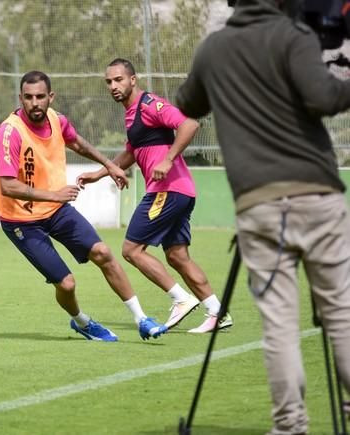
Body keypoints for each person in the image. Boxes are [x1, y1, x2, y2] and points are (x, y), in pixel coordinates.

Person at [175, 0, 350, 433]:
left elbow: (187, 102)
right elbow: (324, 98)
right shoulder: (294, 37)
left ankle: (290, 426)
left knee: (279, 325)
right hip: (317, 195)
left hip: (259, 205)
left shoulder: (214, 49)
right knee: (342, 313)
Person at [0, 70, 168, 342]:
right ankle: (82, 322)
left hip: (55, 210)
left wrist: (109, 165)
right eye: (28, 97)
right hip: (20, 221)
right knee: (67, 283)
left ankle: (141, 318)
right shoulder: (9, 132)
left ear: (51, 97)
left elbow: (76, 142)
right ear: (20, 98)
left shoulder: (56, 119)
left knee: (103, 252)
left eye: (40, 96)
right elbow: (8, 186)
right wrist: (55, 196)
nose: (35, 103)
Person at [77, 58, 233, 334]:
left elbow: (189, 124)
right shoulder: (131, 114)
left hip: (168, 189)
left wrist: (168, 159)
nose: (113, 86)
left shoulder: (149, 104)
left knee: (131, 250)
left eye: (119, 80)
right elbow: (131, 153)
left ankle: (180, 298)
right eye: (109, 82)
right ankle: (217, 311)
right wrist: (101, 173)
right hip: (179, 191)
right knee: (177, 256)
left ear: (133, 80)